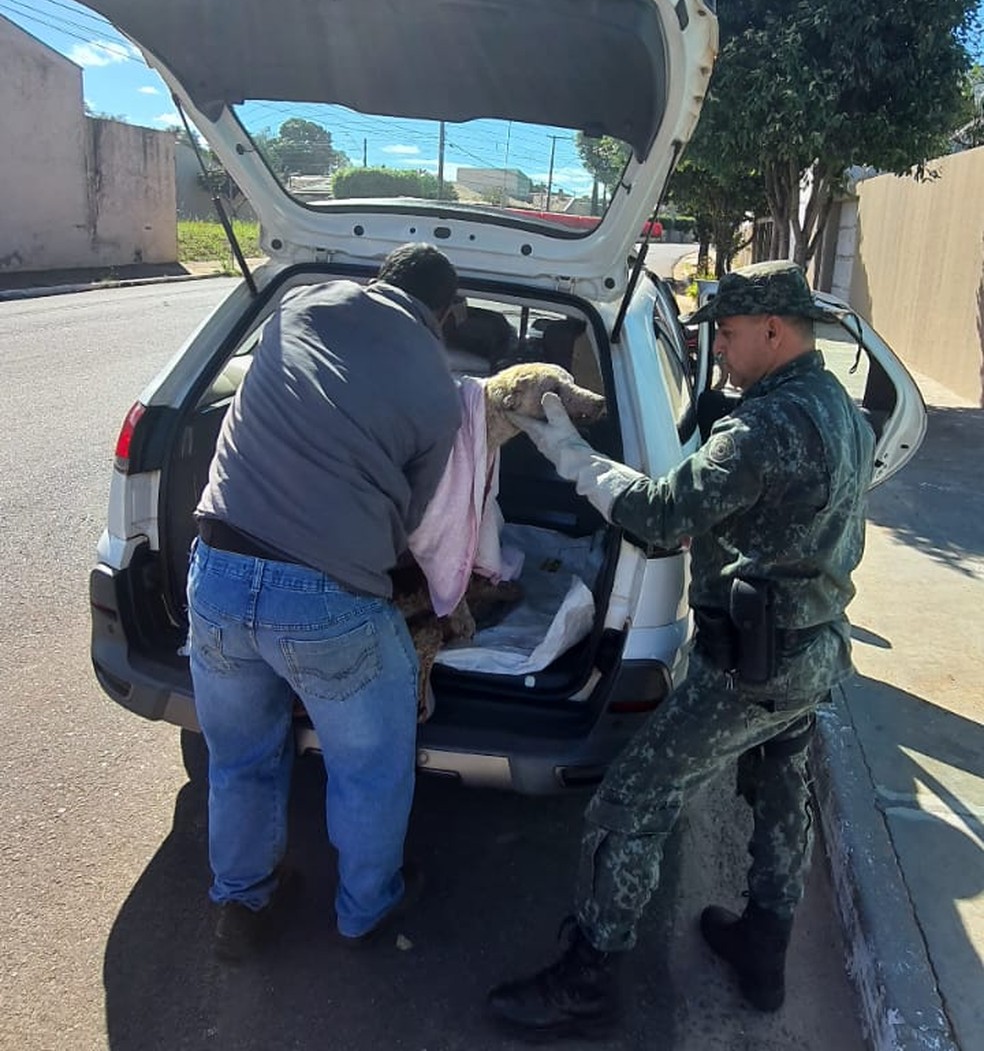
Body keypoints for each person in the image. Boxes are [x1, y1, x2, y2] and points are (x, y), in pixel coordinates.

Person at [488, 260, 876, 1038]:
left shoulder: (762, 427)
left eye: (728, 336)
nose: (720, 352)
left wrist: (567, 449)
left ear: (775, 330)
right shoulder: (839, 405)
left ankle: (589, 976)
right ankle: (763, 951)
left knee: (630, 800)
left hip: (748, 666)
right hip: (810, 652)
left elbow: (663, 516)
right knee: (778, 788)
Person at [186, 242, 461, 961]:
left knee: (239, 756)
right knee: (370, 764)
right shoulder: (440, 390)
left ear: (378, 279)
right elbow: (419, 522)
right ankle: (366, 908)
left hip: (214, 570)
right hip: (325, 600)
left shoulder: (298, 304)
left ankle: (240, 901)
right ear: (446, 314)